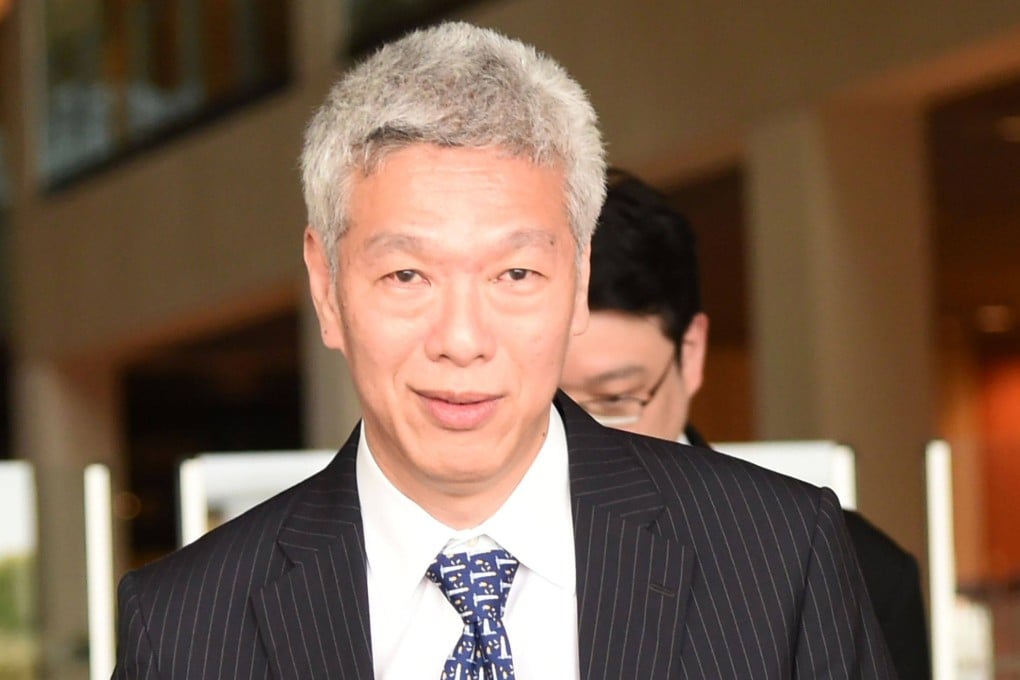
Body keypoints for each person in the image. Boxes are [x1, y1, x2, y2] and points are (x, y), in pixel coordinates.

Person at [113, 23, 895, 679]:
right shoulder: (184, 628)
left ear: (578, 279)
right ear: (327, 287)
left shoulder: (778, 557)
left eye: (515, 274)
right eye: (407, 275)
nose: (462, 341)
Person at [561, 168, 931, 679]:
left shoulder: (852, 566)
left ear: (691, 353)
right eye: (556, 403)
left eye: (616, 399)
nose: (580, 436)